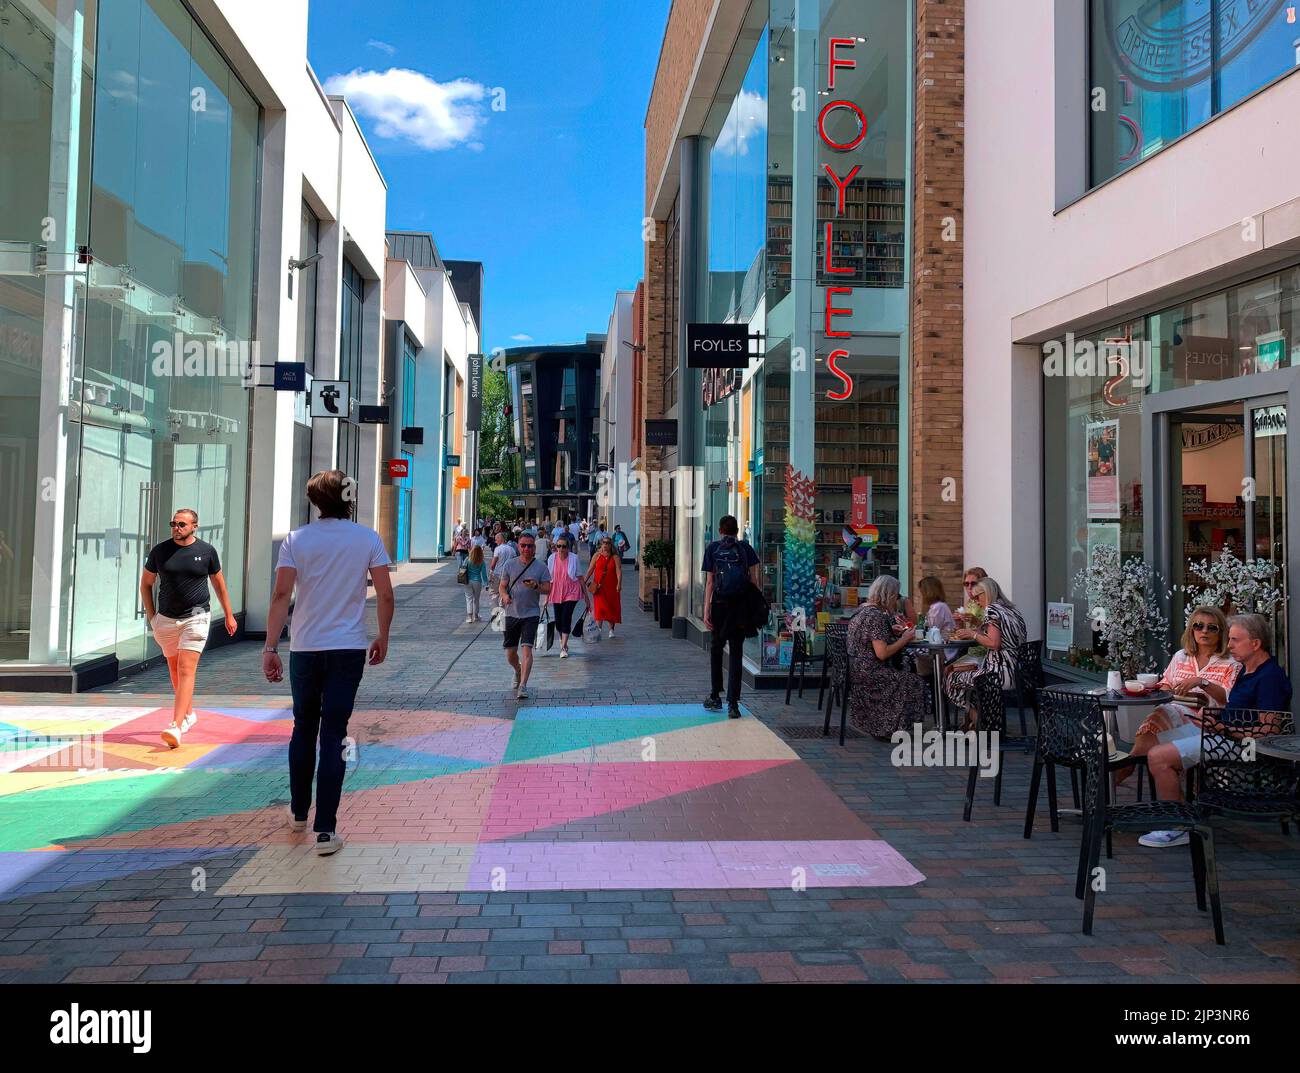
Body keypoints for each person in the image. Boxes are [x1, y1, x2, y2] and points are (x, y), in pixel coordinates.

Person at [263, 470, 394, 856]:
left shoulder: (296, 540)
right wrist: (383, 636)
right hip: (348, 649)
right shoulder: (367, 538)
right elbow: (385, 595)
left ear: (315, 500)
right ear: (348, 497)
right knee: (334, 734)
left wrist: (270, 646)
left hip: (304, 648)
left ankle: (299, 812)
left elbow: (280, 595)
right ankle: (326, 831)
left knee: (303, 728)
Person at [1140, 613, 1293, 848]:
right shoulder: (1246, 669)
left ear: (1255, 644)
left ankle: (1176, 826)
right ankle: (1183, 815)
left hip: (1241, 746)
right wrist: (1214, 719)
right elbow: (1233, 708)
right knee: (1153, 742)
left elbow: (1268, 732)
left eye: (1234, 640)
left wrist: (1222, 727)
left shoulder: (1269, 677)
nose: (1228, 645)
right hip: (1221, 734)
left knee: (1159, 757)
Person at [140, 508, 237, 749]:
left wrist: (228, 615)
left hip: (196, 617)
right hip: (166, 620)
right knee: (174, 670)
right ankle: (189, 714)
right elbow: (146, 584)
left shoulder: (206, 552)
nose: (176, 528)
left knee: (185, 669)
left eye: (182, 524)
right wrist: (152, 617)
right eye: (174, 523)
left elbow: (219, 586)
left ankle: (176, 724)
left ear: (195, 526)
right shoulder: (160, 552)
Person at [1116, 605, 1239, 787]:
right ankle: (1129, 767)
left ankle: (1125, 768)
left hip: (1209, 723)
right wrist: (1168, 690)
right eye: (1198, 626)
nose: (1204, 631)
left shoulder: (1230, 663)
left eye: (1211, 627)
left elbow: (1227, 699)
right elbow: (1166, 684)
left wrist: (1201, 682)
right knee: (1160, 715)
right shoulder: (1181, 657)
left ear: (1221, 633)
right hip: (1175, 715)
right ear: (1191, 630)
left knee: (1158, 719)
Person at [847, 575, 928, 739]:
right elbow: (882, 653)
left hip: (857, 671)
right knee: (915, 681)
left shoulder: (862, 610)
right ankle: (890, 727)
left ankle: (886, 725)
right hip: (871, 674)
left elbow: (871, 640)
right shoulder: (875, 616)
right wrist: (904, 639)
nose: (897, 600)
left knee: (906, 675)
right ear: (889, 595)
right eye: (897, 596)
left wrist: (892, 632)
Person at [944, 576, 1026, 727]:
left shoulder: (992, 609)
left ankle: (981, 722)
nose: (975, 600)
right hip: (1018, 672)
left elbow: (994, 643)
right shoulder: (1012, 610)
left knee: (952, 679)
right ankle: (982, 723)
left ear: (986, 593)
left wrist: (972, 634)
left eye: (977, 596)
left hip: (998, 675)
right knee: (969, 682)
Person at [702, 515, 761, 718]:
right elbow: (754, 580)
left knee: (716, 650)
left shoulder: (712, 549)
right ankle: (733, 704)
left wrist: (706, 609)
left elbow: (710, 582)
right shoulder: (746, 549)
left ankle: (715, 695)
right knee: (736, 653)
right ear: (737, 531)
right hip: (740, 607)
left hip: (720, 605)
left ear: (720, 530)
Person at [499, 531, 551, 699]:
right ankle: (517, 669)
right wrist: (505, 596)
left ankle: (523, 685)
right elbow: (502, 586)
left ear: (534, 548)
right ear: (518, 546)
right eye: (523, 545)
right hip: (511, 613)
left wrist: (536, 586)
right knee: (510, 653)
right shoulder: (510, 564)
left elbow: (548, 588)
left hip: (531, 613)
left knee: (527, 649)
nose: (526, 548)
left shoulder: (541, 567)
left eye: (530, 545)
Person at [546, 534, 583, 658]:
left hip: (571, 591)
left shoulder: (574, 558)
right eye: (558, 546)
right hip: (556, 591)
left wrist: (587, 600)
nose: (561, 549)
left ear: (568, 547)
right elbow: (549, 579)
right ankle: (563, 641)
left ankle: (563, 647)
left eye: (564, 546)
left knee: (566, 617)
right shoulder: (552, 558)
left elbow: (580, 577)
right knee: (558, 621)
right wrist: (546, 597)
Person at [914, 575, 959, 676]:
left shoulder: (938, 607)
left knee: (912, 655)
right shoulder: (938, 606)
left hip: (944, 651)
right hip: (941, 648)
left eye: (921, 592)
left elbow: (932, 629)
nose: (920, 595)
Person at [585, 534, 623, 641]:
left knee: (611, 607)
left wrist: (619, 584)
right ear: (601, 544)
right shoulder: (596, 556)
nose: (605, 545)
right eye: (603, 543)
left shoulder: (615, 557)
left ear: (611, 545)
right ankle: (599, 629)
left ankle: (611, 630)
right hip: (599, 587)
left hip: (611, 586)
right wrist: (584, 580)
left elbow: (619, 571)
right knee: (600, 607)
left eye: (607, 543)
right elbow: (590, 570)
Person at [489, 530, 516, 608]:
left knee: (495, 593)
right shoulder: (511, 549)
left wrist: (491, 573)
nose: (495, 541)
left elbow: (493, 564)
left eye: (496, 539)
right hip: (508, 575)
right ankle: (503, 608)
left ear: (501, 539)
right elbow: (514, 562)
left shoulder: (498, 549)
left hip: (498, 573)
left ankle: (496, 610)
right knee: (505, 591)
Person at [464, 544, 489, 623]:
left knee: (469, 599)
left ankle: (469, 617)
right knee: (476, 599)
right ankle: (476, 615)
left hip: (467, 581)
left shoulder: (468, 559)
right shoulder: (481, 562)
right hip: (477, 581)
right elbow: (484, 574)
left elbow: (463, 568)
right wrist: (486, 584)